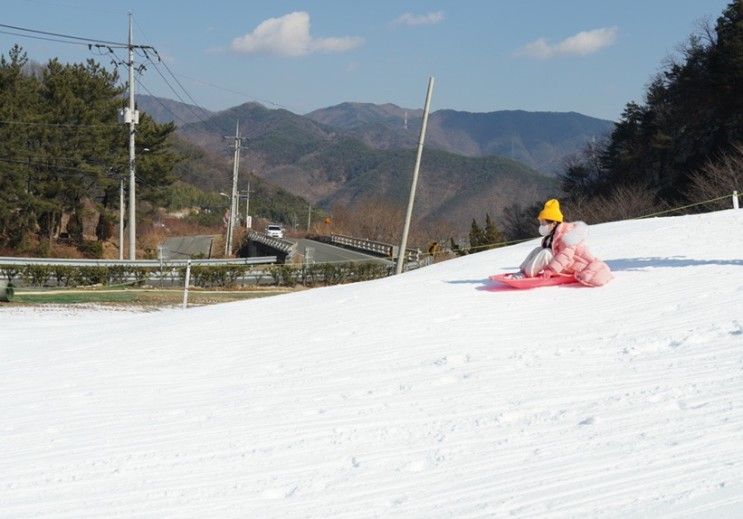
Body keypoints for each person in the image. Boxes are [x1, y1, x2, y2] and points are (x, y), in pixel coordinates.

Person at [515, 199, 613, 287]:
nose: (541, 226)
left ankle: (527, 274)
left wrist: (551, 270)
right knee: (539, 250)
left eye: (543, 223)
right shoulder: (553, 235)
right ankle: (523, 271)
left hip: (571, 266)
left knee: (546, 253)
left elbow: (565, 256)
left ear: (553, 223)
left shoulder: (568, 236)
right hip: (561, 264)